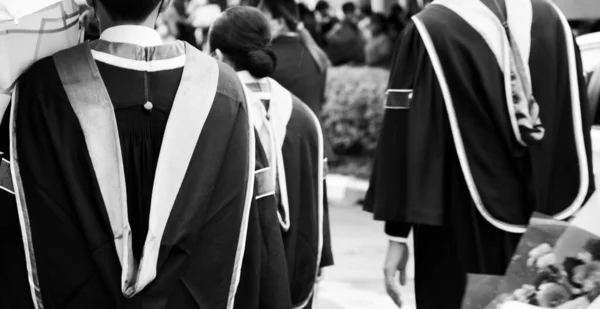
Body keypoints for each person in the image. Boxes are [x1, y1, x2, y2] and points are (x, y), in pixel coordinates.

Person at [0, 0, 259, 307]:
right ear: (165, 2)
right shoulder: (224, 92)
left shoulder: (41, 90)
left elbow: (13, 226)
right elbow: (242, 230)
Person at [364, 0, 595, 308]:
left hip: (458, 224)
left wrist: (397, 233)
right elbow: (575, 117)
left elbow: (411, 135)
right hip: (544, 220)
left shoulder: (431, 28)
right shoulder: (552, 19)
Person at [210, 6, 334, 309]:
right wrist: (319, 260)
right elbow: (318, 198)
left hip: (237, 280)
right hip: (295, 272)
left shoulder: (216, 112)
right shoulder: (304, 117)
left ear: (216, 54)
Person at [244, 0, 337, 163]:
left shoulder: (266, 60)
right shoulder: (315, 54)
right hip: (317, 146)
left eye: (261, 18)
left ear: (280, 22)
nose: (255, 26)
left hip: (285, 152)